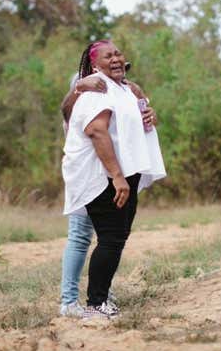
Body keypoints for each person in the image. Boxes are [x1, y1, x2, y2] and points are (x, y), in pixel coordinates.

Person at [62, 39, 165, 318]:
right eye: (108, 56)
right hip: (102, 174)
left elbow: (136, 118)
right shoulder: (94, 88)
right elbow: (96, 130)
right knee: (95, 237)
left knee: (115, 238)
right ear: (95, 65)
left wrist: (149, 115)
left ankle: (100, 297)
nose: (116, 58)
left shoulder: (123, 89)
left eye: (118, 53)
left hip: (122, 171)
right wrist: (117, 176)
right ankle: (87, 303)